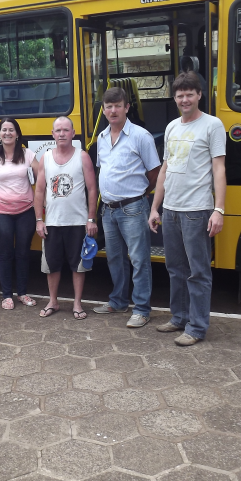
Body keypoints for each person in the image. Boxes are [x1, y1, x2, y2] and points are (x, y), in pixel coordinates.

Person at [148, 71, 226, 346]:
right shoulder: (171, 127)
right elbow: (165, 170)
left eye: (189, 94)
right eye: (180, 95)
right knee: (175, 269)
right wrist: (155, 208)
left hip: (196, 210)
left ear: (199, 95)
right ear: (175, 98)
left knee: (198, 272)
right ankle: (179, 317)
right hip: (170, 210)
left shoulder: (212, 125)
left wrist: (219, 209)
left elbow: (219, 168)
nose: (184, 100)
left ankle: (197, 327)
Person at [93, 87, 161, 328]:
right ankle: (119, 301)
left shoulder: (141, 136)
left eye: (118, 106)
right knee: (115, 259)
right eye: (108, 107)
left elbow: (155, 172)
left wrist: (141, 194)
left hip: (133, 208)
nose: (113, 110)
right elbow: (104, 170)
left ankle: (142, 309)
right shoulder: (101, 138)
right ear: (104, 110)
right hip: (108, 209)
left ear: (127, 108)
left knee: (139, 260)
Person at [34, 116, 98, 320]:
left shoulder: (82, 157)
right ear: (53, 134)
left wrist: (91, 219)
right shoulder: (46, 158)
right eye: (58, 130)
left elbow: (92, 189)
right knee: (51, 265)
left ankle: (77, 303)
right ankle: (53, 301)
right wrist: (39, 219)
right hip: (52, 222)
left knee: (78, 265)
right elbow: (39, 190)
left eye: (66, 130)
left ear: (73, 133)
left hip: (78, 222)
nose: (62, 134)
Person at [0, 118, 39, 310]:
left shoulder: (28, 154)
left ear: (17, 134)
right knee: (5, 253)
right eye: (4, 130)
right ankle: (7, 295)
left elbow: (41, 179)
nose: (7, 133)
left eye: (11, 130)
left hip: (26, 212)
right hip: (2, 212)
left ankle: (22, 293)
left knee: (23, 253)